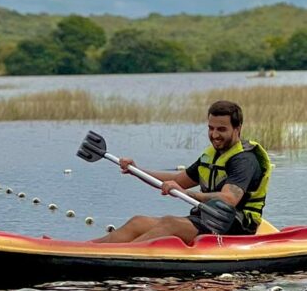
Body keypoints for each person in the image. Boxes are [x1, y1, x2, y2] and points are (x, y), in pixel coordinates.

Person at [97, 100, 272, 244]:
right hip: (208, 220)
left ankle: (119, 256)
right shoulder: (212, 156)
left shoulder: (244, 160)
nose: (214, 135)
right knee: (138, 222)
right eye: (211, 128)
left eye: (221, 129)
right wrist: (135, 170)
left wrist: (187, 194)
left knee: (170, 224)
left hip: (234, 226)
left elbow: (229, 199)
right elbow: (178, 179)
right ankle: (86, 249)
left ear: (237, 128)